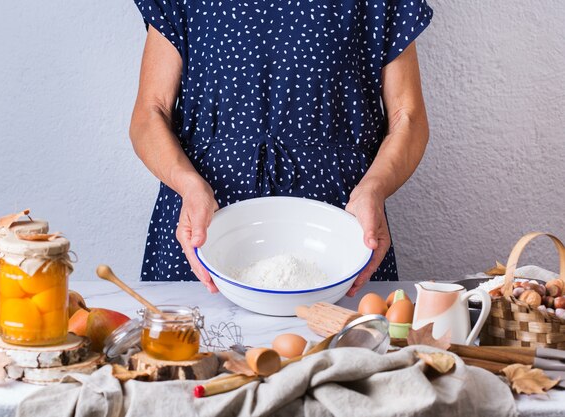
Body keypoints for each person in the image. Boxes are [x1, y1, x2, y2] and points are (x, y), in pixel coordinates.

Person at [129, 0, 432, 296]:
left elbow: (408, 118)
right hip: (203, 229)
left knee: (344, 346)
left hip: (342, 233)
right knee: (188, 344)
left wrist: (374, 190)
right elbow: (150, 113)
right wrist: (189, 185)